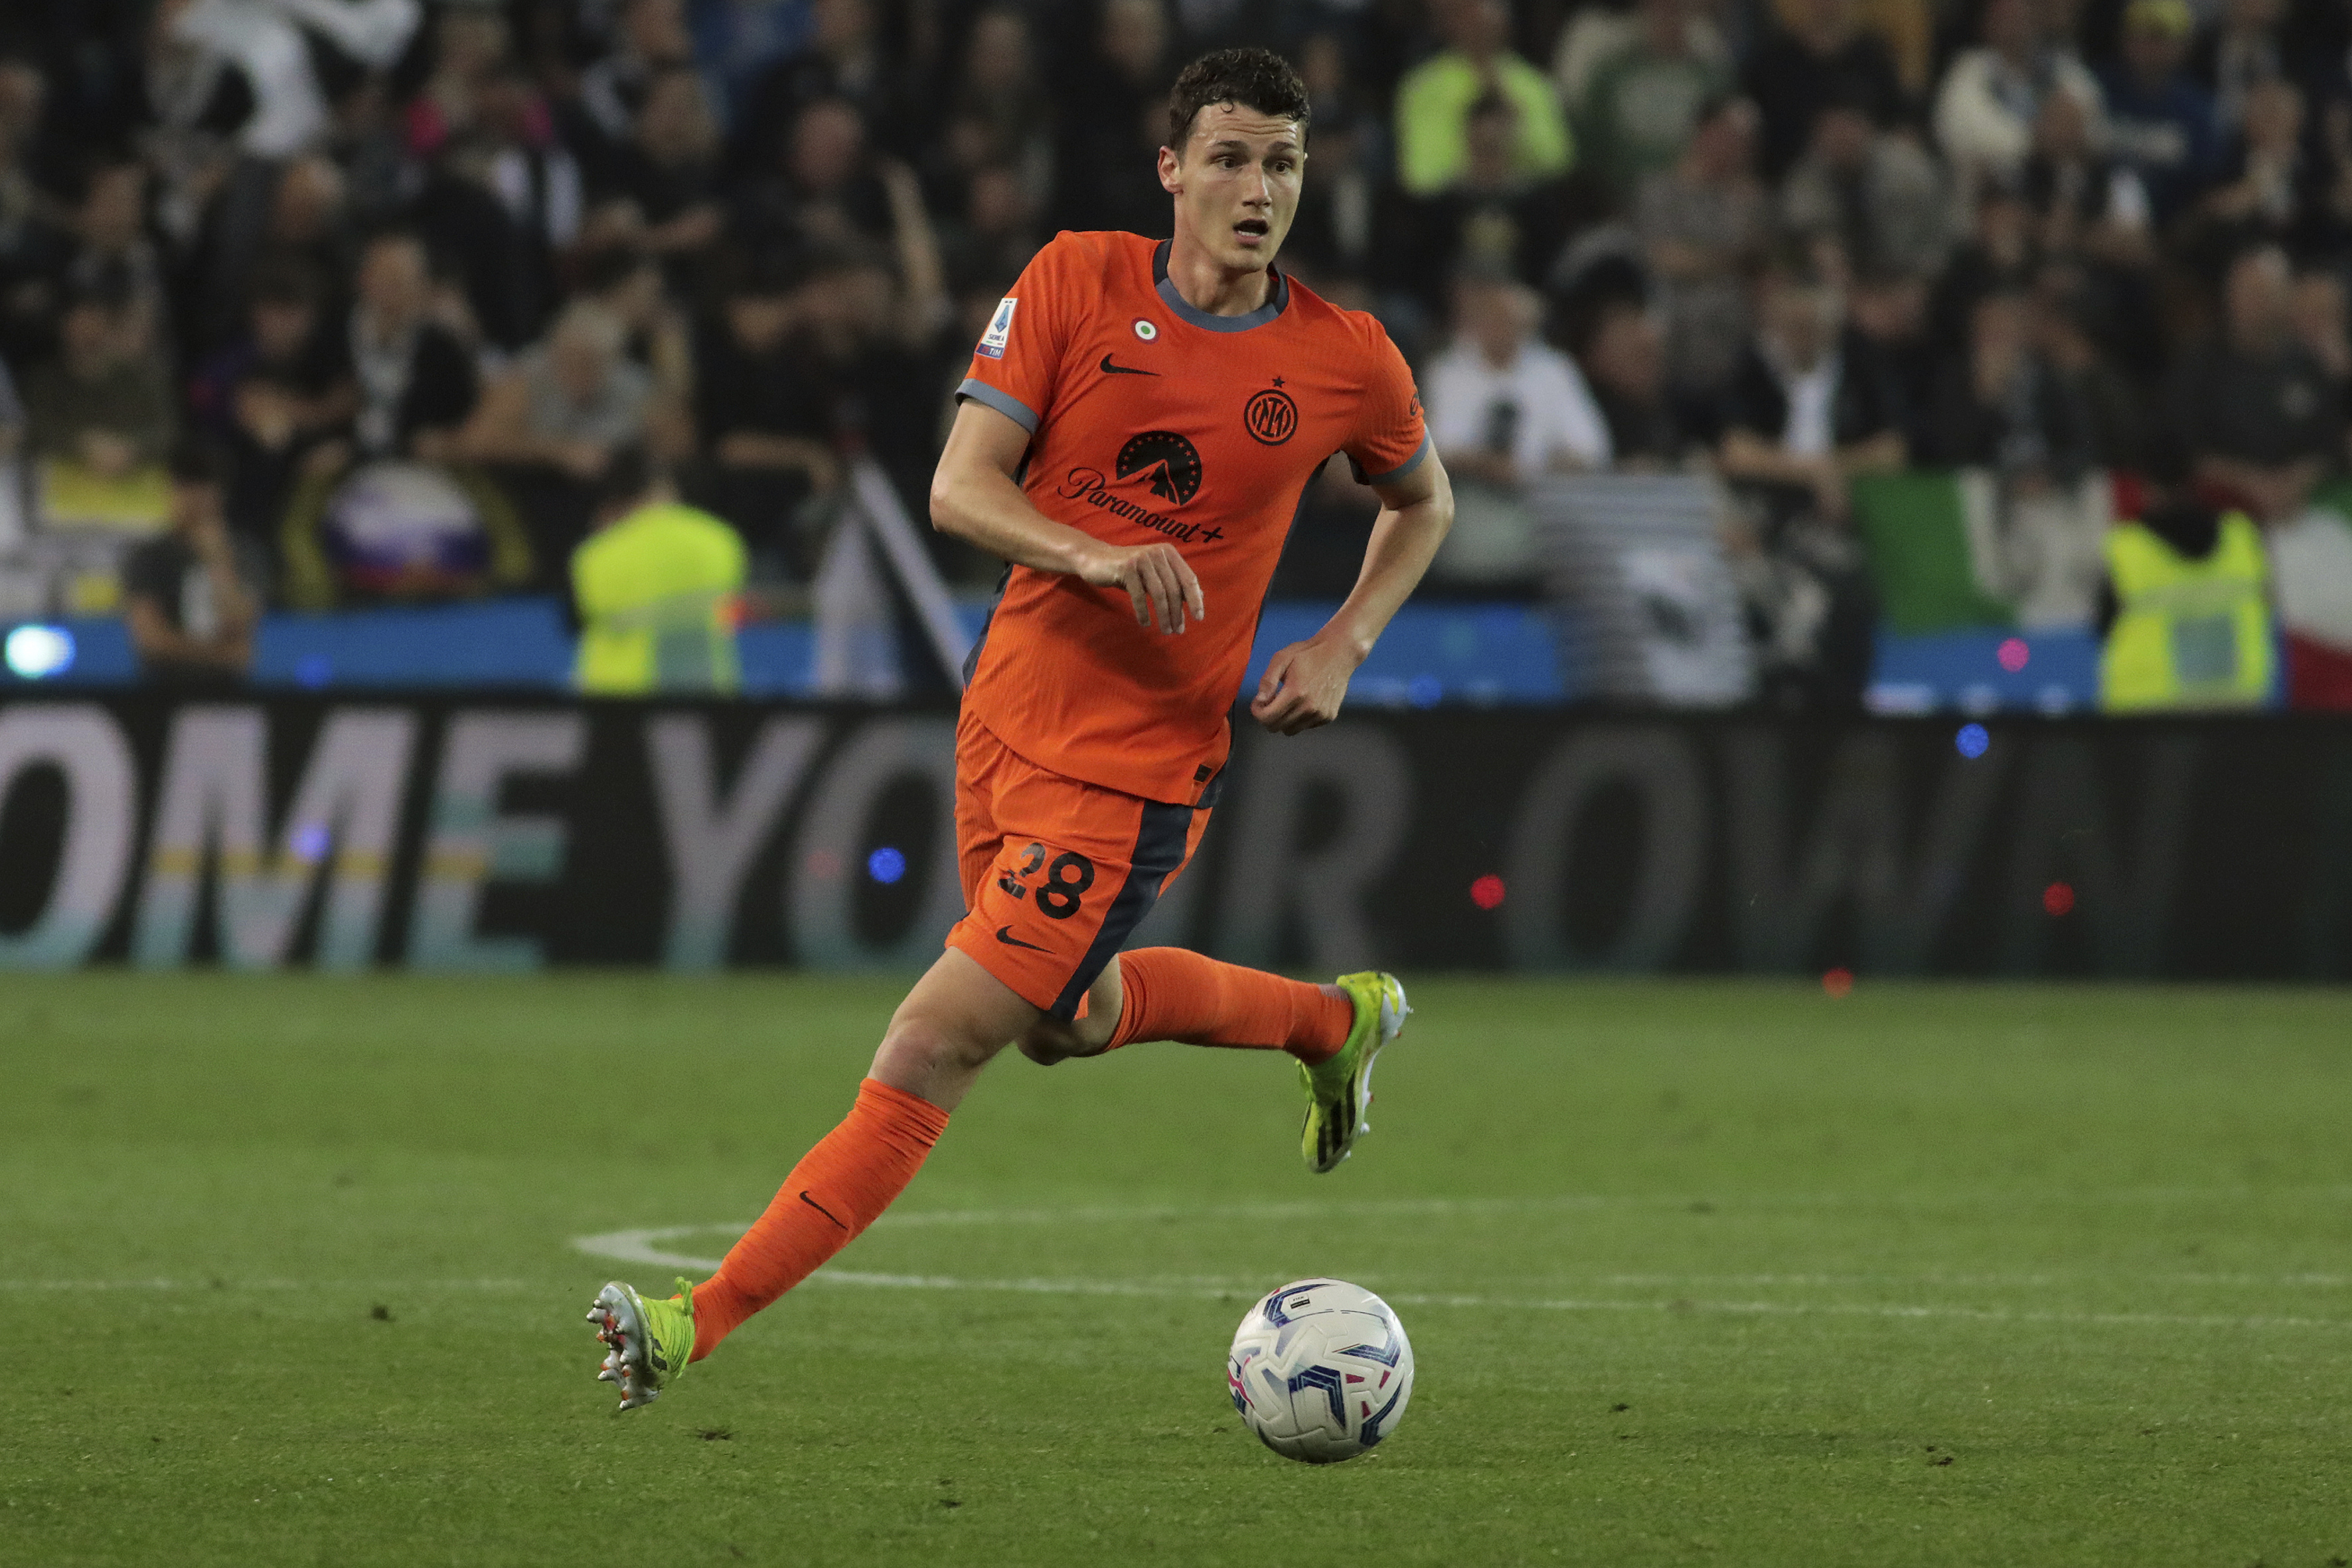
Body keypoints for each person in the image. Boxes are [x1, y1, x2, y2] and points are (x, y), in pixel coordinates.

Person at [585, 46, 1454, 1410]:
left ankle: (692, 1317)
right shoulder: (1073, 281)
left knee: (936, 1041)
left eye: (1280, 162)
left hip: (1135, 772)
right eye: (1226, 156)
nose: (1255, 187)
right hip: (1004, 724)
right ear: (1170, 169)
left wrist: (1340, 641)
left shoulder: (1341, 360)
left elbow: (1424, 503)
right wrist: (1093, 554)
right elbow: (958, 488)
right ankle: (1327, 1018)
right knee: (1070, 1017)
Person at [570, 446, 745, 694]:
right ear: (666, 486)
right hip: (706, 692)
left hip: (618, 695)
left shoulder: (594, 556)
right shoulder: (720, 539)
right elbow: (731, 603)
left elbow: (584, 614)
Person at [120, 439, 256, 686]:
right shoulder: (148, 557)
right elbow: (151, 640)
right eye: (184, 487)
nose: (195, 499)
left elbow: (241, 625)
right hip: (163, 692)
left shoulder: (245, 553)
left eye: (203, 488)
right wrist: (220, 655)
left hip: (231, 697)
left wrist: (217, 559)